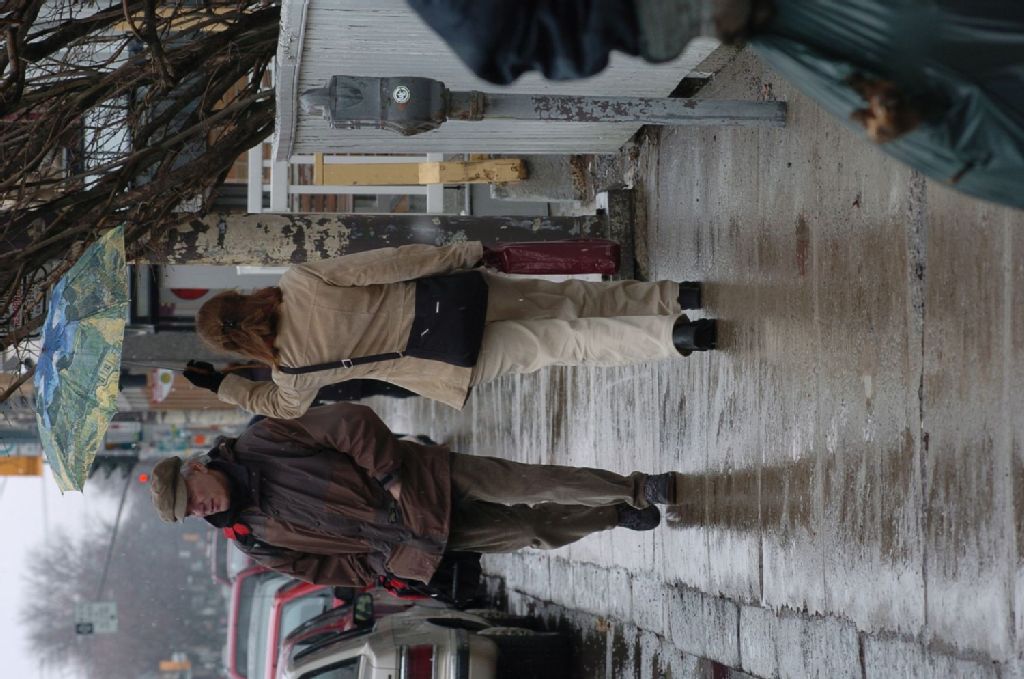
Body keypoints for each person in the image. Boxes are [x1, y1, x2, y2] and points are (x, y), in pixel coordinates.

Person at [149, 403, 684, 588]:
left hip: (425, 479)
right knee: (531, 530)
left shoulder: (262, 442)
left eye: (191, 496)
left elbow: (350, 422)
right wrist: (382, 565)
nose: (200, 509)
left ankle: (638, 487)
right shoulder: (254, 539)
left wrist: (390, 476)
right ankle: (613, 514)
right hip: (415, 540)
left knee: (532, 481)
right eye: (190, 513)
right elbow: (324, 571)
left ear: (196, 468)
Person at [183, 241, 717, 419]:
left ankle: (674, 337)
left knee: (563, 343)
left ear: (237, 344)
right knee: (568, 298)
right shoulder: (301, 281)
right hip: (453, 299)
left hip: (446, 356)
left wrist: (226, 387)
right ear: (241, 299)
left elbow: (280, 409)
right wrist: (461, 253)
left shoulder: (293, 372)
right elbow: (390, 264)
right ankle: (675, 295)